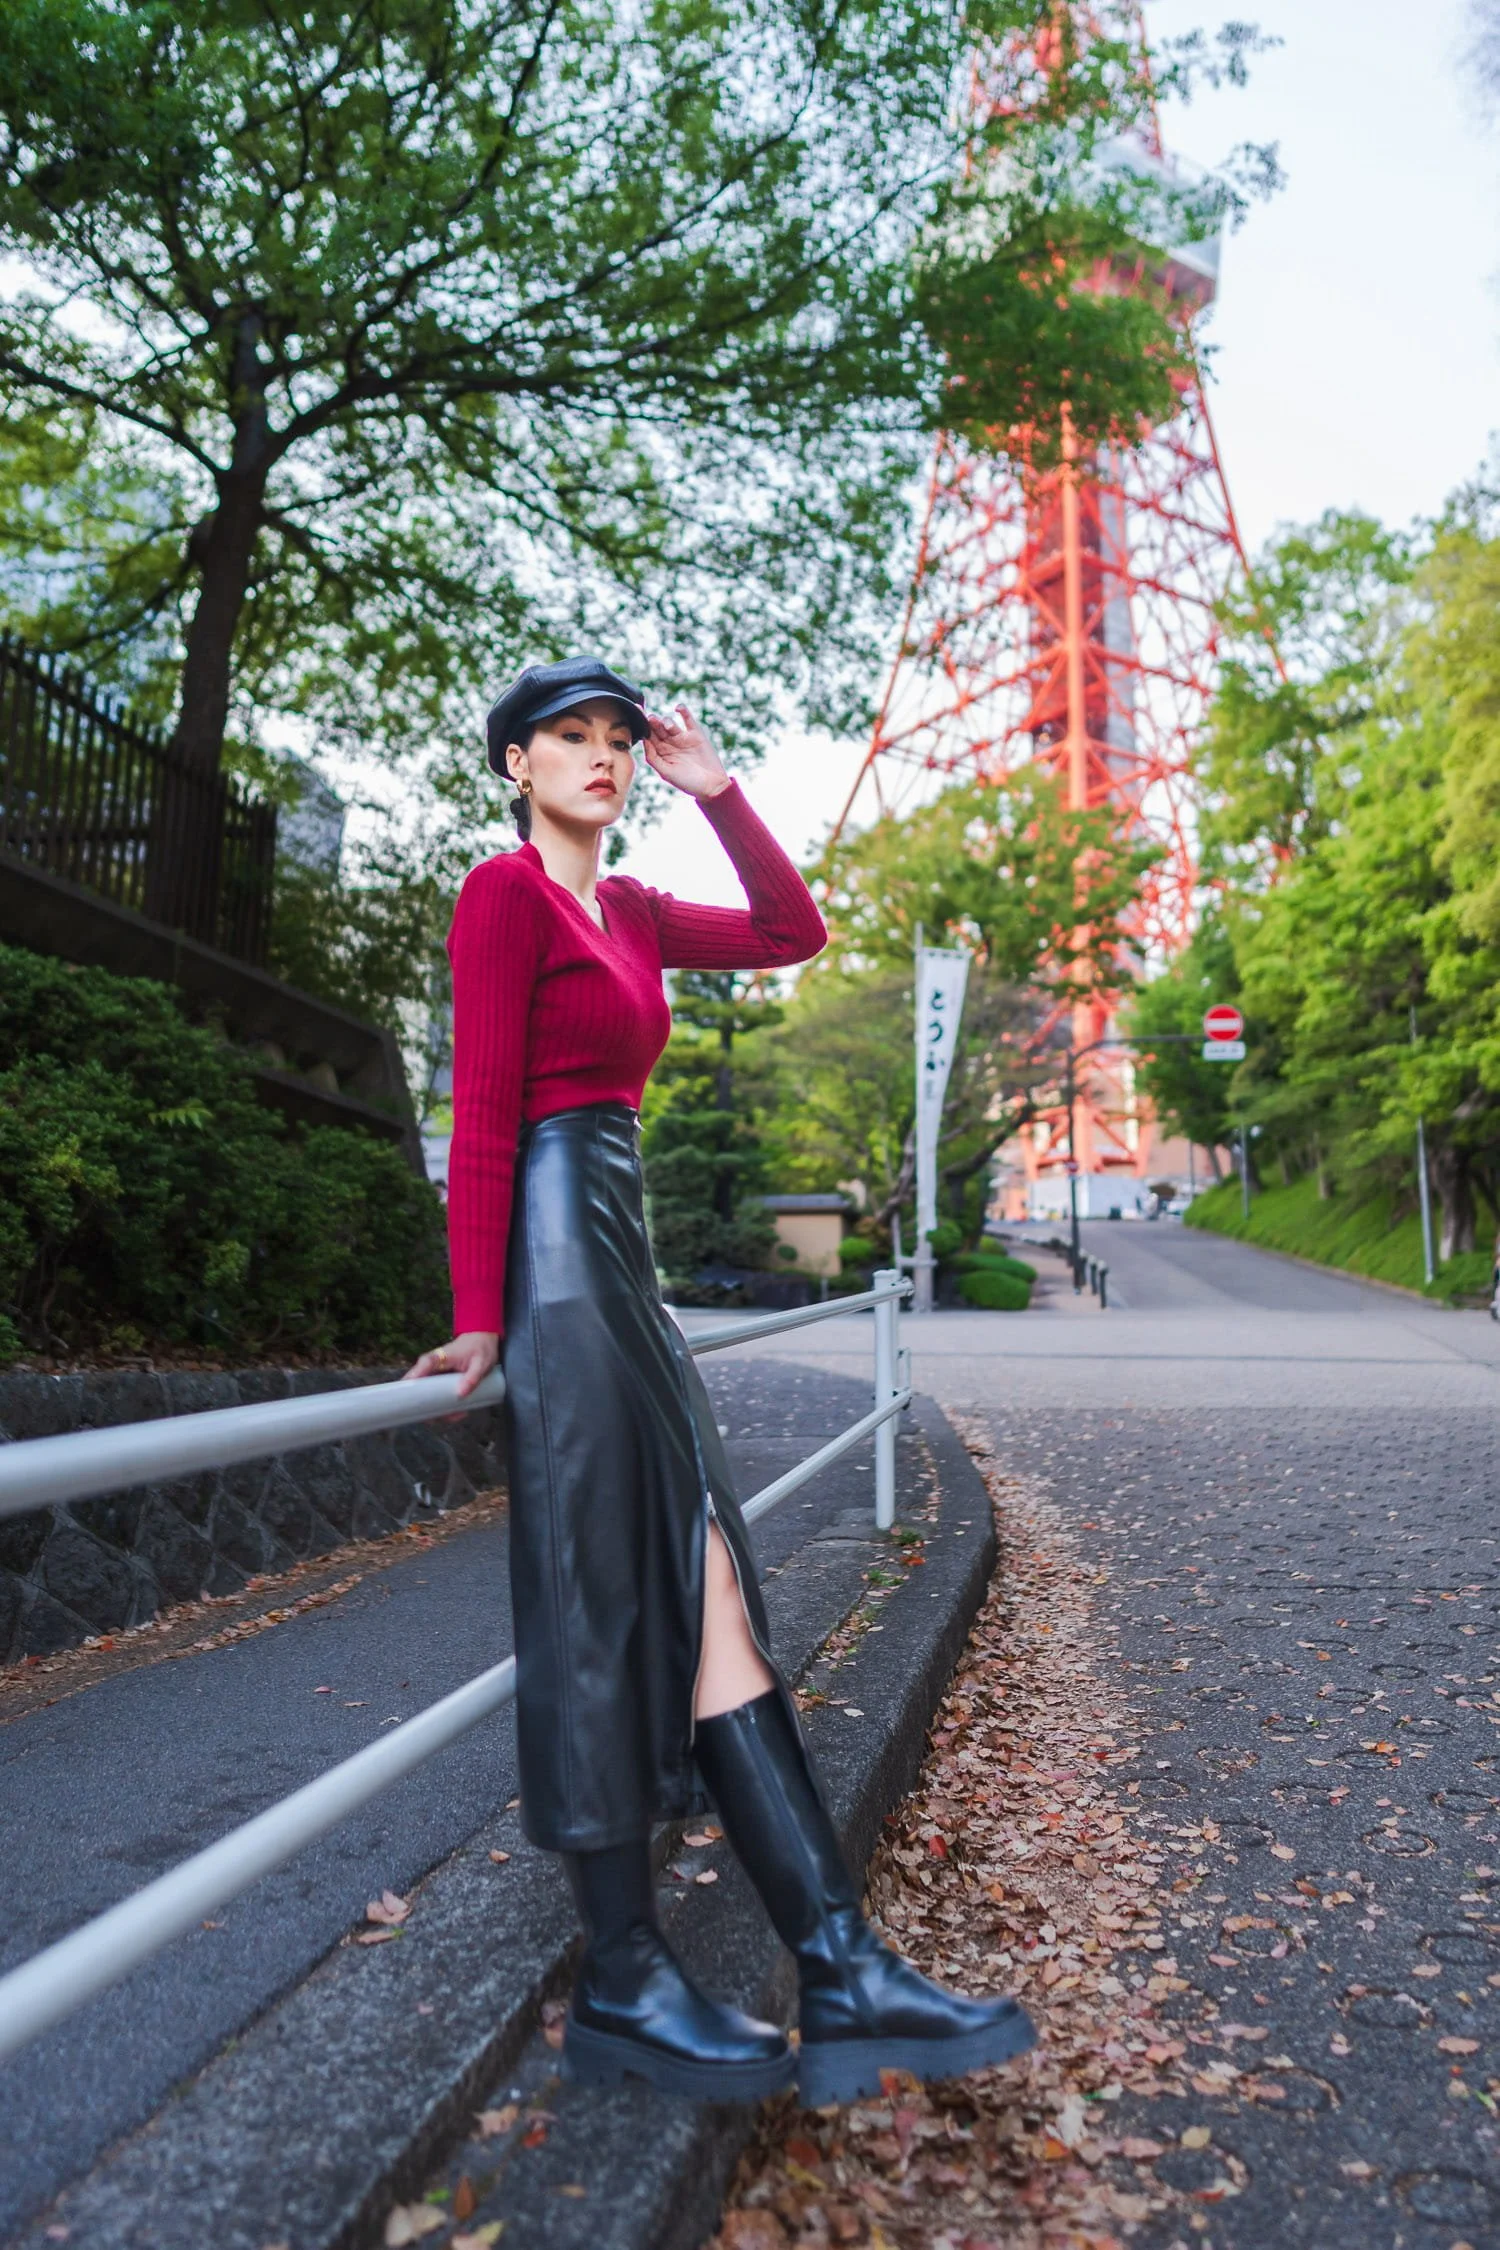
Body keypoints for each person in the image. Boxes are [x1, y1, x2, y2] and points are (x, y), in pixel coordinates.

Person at [406, 656, 1035, 2105]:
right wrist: (480, 1319)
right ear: (517, 763)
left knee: (713, 1591)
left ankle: (836, 1957)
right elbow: (487, 1115)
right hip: (558, 1256)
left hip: (621, 1260)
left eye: (619, 737)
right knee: (607, 1595)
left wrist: (720, 788)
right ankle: (626, 1970)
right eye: (571, 736)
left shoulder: (625, 906)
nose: (604, 755)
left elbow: (788, 928)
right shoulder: (503, 897)